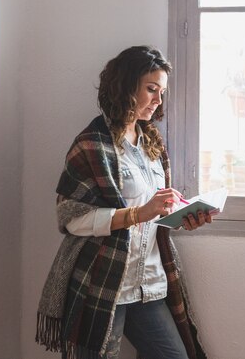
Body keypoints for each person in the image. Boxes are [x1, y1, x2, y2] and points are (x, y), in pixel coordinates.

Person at [36, 46, 213, 359]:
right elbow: (72, 218)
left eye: (162, 91)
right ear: (126, 86)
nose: (158, 100)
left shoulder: (152, 144)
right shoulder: (92, 144)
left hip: (150, 282)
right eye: (151, 89)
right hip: (104, 282)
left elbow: (155, 215)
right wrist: (139, 213)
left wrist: (182, 216)